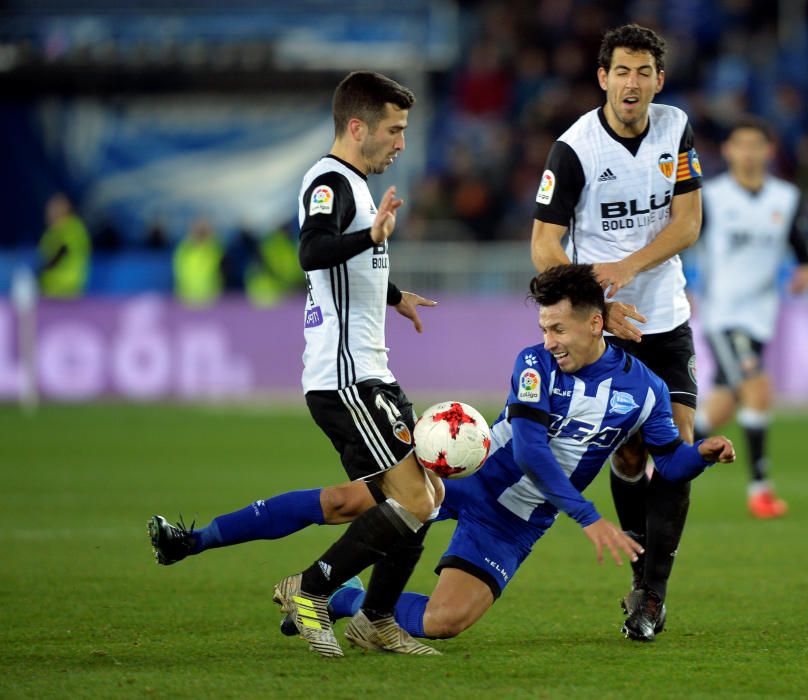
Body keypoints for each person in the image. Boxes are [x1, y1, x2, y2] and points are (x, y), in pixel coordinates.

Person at [152, 265, 734, 648]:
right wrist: (588, 516)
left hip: (517, 521)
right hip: (470, 474)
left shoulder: (648, 391)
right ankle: (195, 540)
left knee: (446, 623)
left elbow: (670, 465)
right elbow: (530, 447)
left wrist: (702, 453)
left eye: (558, 328)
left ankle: (338, 601)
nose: (549, 339)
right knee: (342, 501)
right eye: (543, 327)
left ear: (595, 323)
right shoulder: (534, 364)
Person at [149, 71, 441, 659]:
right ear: (357, 127)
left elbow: (346, 272)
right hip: (346, 378)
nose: (401, 143)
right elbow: (312, 251)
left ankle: (376, 618)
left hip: (367, 371)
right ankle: (309, 589)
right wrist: (373, 237)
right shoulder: (328, 181)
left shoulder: (355, 185)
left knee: (411, 493)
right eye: (394, 129)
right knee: (415, 497)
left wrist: (393, 294)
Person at [530, 24, 704, 641]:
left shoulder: (676, 127)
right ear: (603, 78)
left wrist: (627, 270)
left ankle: (650, 593)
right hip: (607, 327)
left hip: (667, 315)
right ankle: (639, 571)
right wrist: (600, 300)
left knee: (677, 456)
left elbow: (688, 223)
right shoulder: (574, 149)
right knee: (629, 453)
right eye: (621, 72)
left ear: (660, 80)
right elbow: (543, 244)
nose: (633, 84)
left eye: (644, 73)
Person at [693, 117, 808, 518]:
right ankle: (760, 488)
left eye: (755, 145)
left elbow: (800, 247)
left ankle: (658, 461)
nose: (748, 153)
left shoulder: (785, 197)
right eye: (740, 145)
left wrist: (806, 270)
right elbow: (682, 239)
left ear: (769, 151)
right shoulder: (711, 197)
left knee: (723, 406)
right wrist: (680, 285)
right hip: (724, 313)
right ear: (728, 151)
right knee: (757, 386)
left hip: (762, 315)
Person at [37, 193, 90, 298]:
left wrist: (42, 268)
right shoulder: (50, 233)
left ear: (65, 209)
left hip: (68, 290)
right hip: (49, 289)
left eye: (54, 209)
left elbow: (63, 251)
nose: (50, 213)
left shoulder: (73, 228)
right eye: (49, 209)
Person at [173, 218, 224, 307]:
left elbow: (224, 271)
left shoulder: (216, 249)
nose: (201, 233)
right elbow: (178, 271)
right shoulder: (184, 249)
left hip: (211, 298)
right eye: (198, 229)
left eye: (203, 230)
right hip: (186, 297)